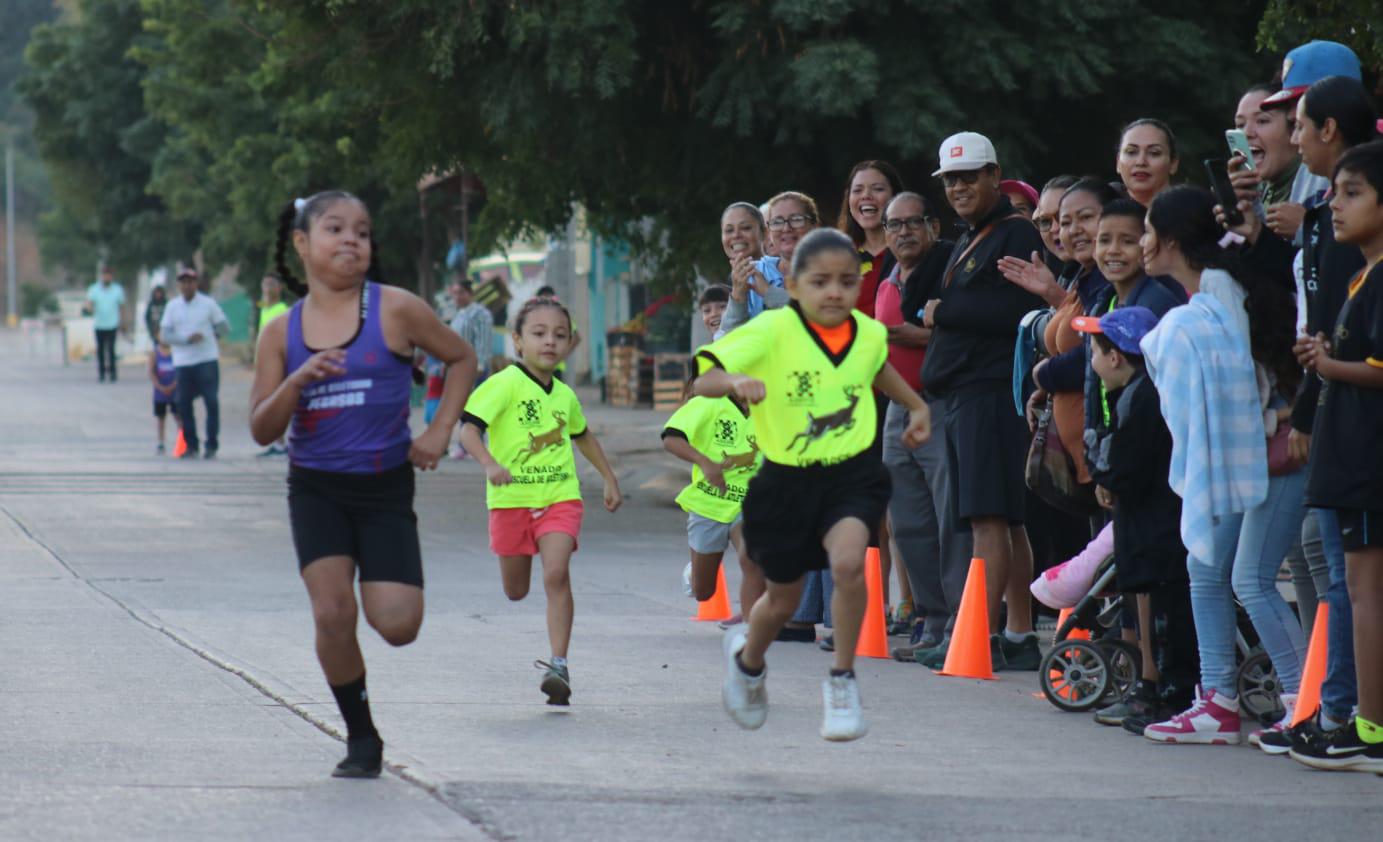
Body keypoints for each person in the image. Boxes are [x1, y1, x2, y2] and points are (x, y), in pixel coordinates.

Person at [250, 190, 478, 778]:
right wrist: (296, 380)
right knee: (332, 613)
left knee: (398, 625)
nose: (351, 240)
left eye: (362, 231)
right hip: (317, 489)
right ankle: (361, 737)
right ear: (302, 244)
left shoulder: (396, 309)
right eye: (335, 229)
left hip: (383, 489)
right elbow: (260, 427)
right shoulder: (280, 331)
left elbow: (461, 358)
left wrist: (438, 430)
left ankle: (366, 711)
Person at [696, 228, 930, 742]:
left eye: (846, 282)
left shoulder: (866, 332)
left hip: (851, 473)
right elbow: (703, 377)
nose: (834, 292)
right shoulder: (773, 331)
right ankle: (749, 662)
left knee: (849, 564)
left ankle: (842, 681)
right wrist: (735, 381)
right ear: (794, 286)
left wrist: (915, 404)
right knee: (781, 603)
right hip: (785, 479)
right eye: (820, 281)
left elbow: (878, 367)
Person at [1230, 75, 1378, 751]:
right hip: (1329, 421)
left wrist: (1315, 387)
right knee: (1333, 571)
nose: (1289, 136)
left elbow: (1357, 354)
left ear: (1327, 130)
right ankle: (1331, 706)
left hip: (1354, 437)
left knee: (1347, 576)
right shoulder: (1326, 233)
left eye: (1298, 123)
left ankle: (1345, 714)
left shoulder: (1355, 249)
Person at [1137, 186, 1283, 745]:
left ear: (1171, 240)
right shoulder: (1206, 290)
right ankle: (1218, 698)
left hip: (1262, 452)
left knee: (1249, 578)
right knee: (1208, 570)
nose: (1145, 243)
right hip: (1243, 453)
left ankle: (1300, 695)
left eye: (1149, 232)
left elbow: (1245, 379)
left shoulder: (1219, 289)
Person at [919, 131, 1046, 671]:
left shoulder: (1013, 234)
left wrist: (940, 312)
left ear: (995, 175)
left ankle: (980, 636)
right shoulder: (979, 234)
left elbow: (1011, 312)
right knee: (1005, 521)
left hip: (989, 393)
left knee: (988, 520)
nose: (959, 187)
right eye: (951, 179)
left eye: (969, 176)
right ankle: (1017, 634)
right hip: (970, 393)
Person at [458, 297, 622, 707]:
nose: (550, 341)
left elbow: (582, 435)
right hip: (510, 500)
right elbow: (468, 431)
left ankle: (559, 664)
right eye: (539, 333)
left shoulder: (565, 395)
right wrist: (489, 463)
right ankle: (554, 657)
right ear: (517, 341)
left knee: (556, 573)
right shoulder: (501, 386)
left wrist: (607, 476)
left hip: (559, 497)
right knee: (516, 591)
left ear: (569, 343)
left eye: (560, 335)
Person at [1289, 139, 1383, 772]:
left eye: (1353, 193)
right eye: (1335, 192)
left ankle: (1368, 729)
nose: (1336, 205)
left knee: (1365, 589)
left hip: (1367, 465)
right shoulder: (1362, 273)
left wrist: (1328, 364)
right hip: (1351, 460)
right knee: (1357, 586)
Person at [1077, 306, 1199, 729]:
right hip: (1146, 525)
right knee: (1152, 605)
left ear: (1115, 357)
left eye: (1095, 352)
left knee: (1165, 612)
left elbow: (1124, 465)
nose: (1091, 362)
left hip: (1157, 527)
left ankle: (1170, 690)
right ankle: (1156, 686)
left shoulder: (1144, 397)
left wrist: (1096, 456)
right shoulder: (1132, 393)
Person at [875, 191, 964, 658]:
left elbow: (964, 327)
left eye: (913, 222)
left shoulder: (949, 270)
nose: (903, 232)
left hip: (940, 404)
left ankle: (956, 621)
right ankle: (930, 616)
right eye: (895, 225)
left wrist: (920, 335)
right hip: (896, 410)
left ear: (933, 226)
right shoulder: (887, 281)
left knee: (948, 518)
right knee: (907, 522)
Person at [662, 285, 765, 619]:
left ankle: (751, 629)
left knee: (752, 558)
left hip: (748, 499)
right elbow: (671, 437)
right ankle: (695, 571)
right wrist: (705, 463)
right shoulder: (707, 398)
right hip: (710, 500)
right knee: (704, 591)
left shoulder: (770, 400)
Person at [718, 192, 818, 336]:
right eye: (777, 222)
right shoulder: (754, 273)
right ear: (769, 231)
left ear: (814, 226)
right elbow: (728, 344)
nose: (786, 228)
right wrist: (738, 296)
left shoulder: (830, 270)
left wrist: (768, 292)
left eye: (796, 220)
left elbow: (818, 318)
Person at [159, 268, 229, 459]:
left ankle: (212, 444)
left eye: (190, 282)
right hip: (183, 361)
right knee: (183, 404)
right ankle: (191, 445)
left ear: (196, 284)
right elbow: (165, 334)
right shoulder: (173, 306)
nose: (187, 285)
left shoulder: (208, 304)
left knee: (211, 402)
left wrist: (211, 336)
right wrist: (185, 339)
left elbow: (224, 326)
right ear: (178, 285)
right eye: (183, 282)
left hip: (206, 359)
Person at [837, 160, 904, 320]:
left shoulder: (912, 253)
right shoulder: (837, 255)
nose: (866, 196)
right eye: (858, 190)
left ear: (896, 197)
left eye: (878, 189)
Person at [256, 273, 291, 457]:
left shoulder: (282, 309)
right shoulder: (264, 309)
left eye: (271, 284)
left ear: (279, 288)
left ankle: (282, 443)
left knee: (278, 403)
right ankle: (277, 442)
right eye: (265, 284)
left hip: (279, 363)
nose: (267, 288)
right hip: (265, 364)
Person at [1116, 118, 1179, 208]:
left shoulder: (1196, 214)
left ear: (1173, 164)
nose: (1141, 162)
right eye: (1131, 152)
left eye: (1154, 153)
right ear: (1118, 162)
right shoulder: (1100, 212)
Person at [85, 266, 126, 383]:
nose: (106, 277)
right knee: (101, 350)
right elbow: (89, 303)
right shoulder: (94, 289)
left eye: (108, 275)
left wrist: (123, 322)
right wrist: (89, 308)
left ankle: (113, 373)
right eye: (104, 275)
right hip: (99, 324)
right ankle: (102, 373)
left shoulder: (117, 290)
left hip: (112, 323)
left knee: (111, 349)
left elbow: (121, 306)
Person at [148, 339, 178, 454]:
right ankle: (161, 442)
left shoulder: (176, 352)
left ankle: (182, 441)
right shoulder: (155, 354)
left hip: (175, 391)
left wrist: (173, 385)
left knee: (178, 416)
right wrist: (159, 387)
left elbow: (180, 371)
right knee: (161, 418)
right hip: (160, 393)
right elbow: (151, 371)